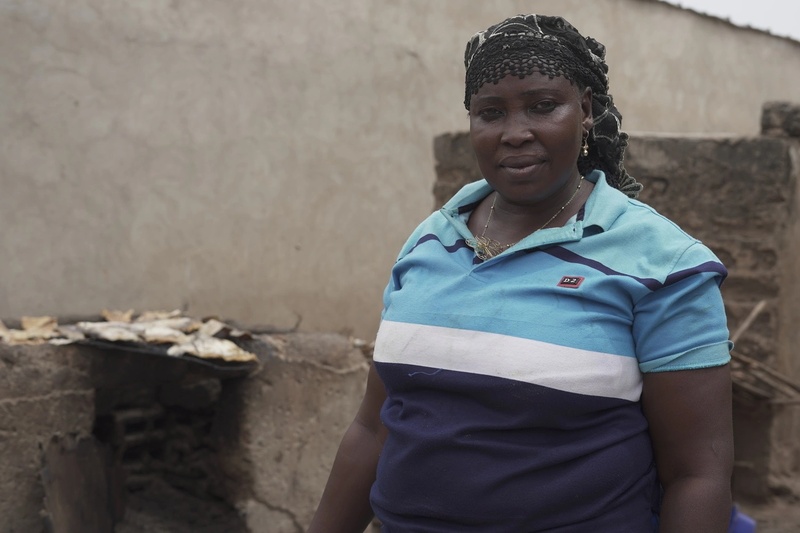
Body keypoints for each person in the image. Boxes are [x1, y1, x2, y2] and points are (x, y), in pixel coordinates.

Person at [308, 13, 734, 533]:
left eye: (543, 106)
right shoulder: (430, 240)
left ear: (586, 111)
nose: (515, 133)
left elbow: (697, 475)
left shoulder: (661, 263)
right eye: (491, 113)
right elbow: (373, 428)